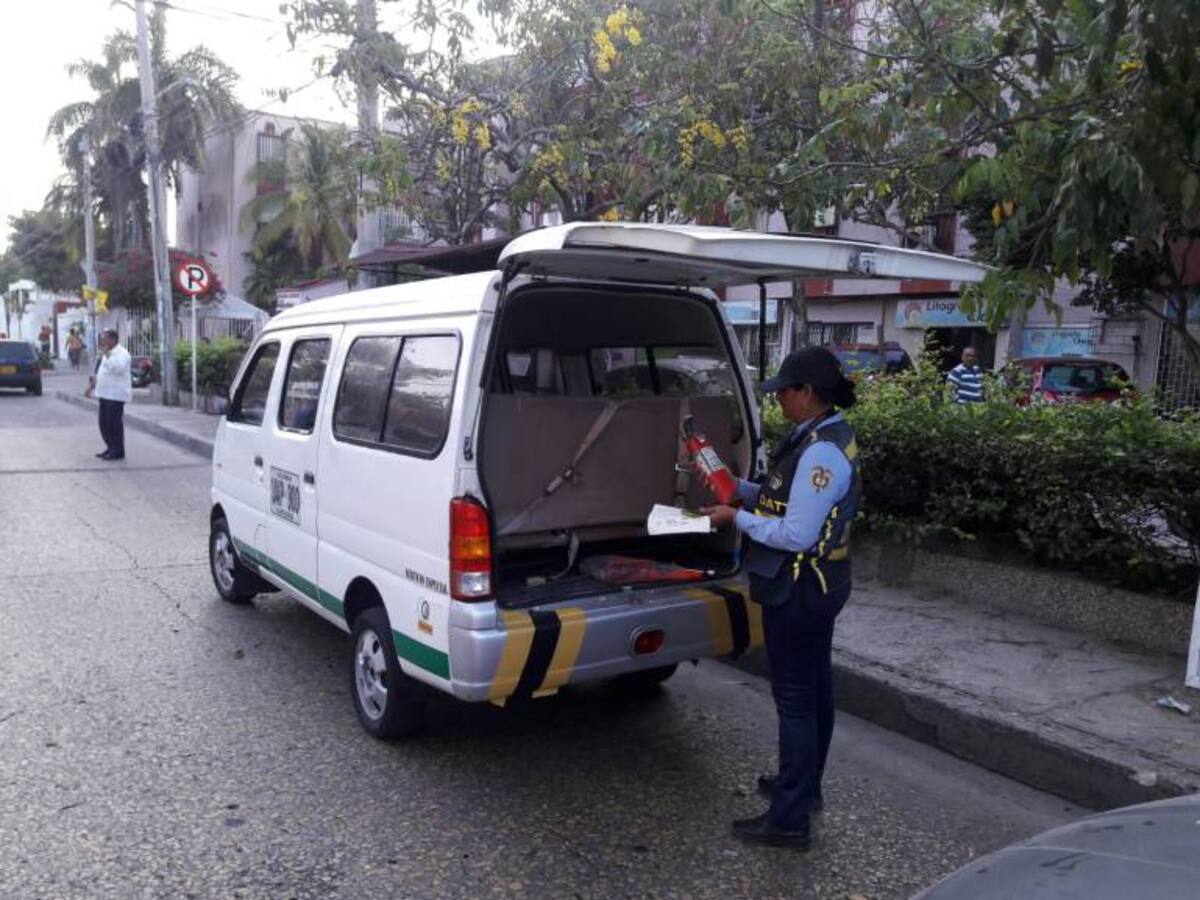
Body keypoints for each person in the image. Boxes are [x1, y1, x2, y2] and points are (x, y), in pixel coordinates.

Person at [702, 347, 861, 851]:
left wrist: (735, 518)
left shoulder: (821, 453)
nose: (779, 401)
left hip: (800, 589)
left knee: (795, 702)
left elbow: (796, 533)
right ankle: (802, 788)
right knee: (814, 691)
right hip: (819, 585)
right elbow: (781, 497)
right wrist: (734, 487)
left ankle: (789, 820)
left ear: (808, 393)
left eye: (784, 392)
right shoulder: (819, 434)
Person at [85, 328, 131, 461]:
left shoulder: (122, 353)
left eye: (104, 339)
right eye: (102, 339)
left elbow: (118, 369)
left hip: (115, 395)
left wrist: (107, 355)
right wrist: (91, 387)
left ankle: (117, 451)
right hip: (104, 393)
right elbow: (100, 372)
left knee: (113, 424)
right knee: (104, 424)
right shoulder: (107, 353)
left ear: (113, 339)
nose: (102, 341)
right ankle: (110, 447)